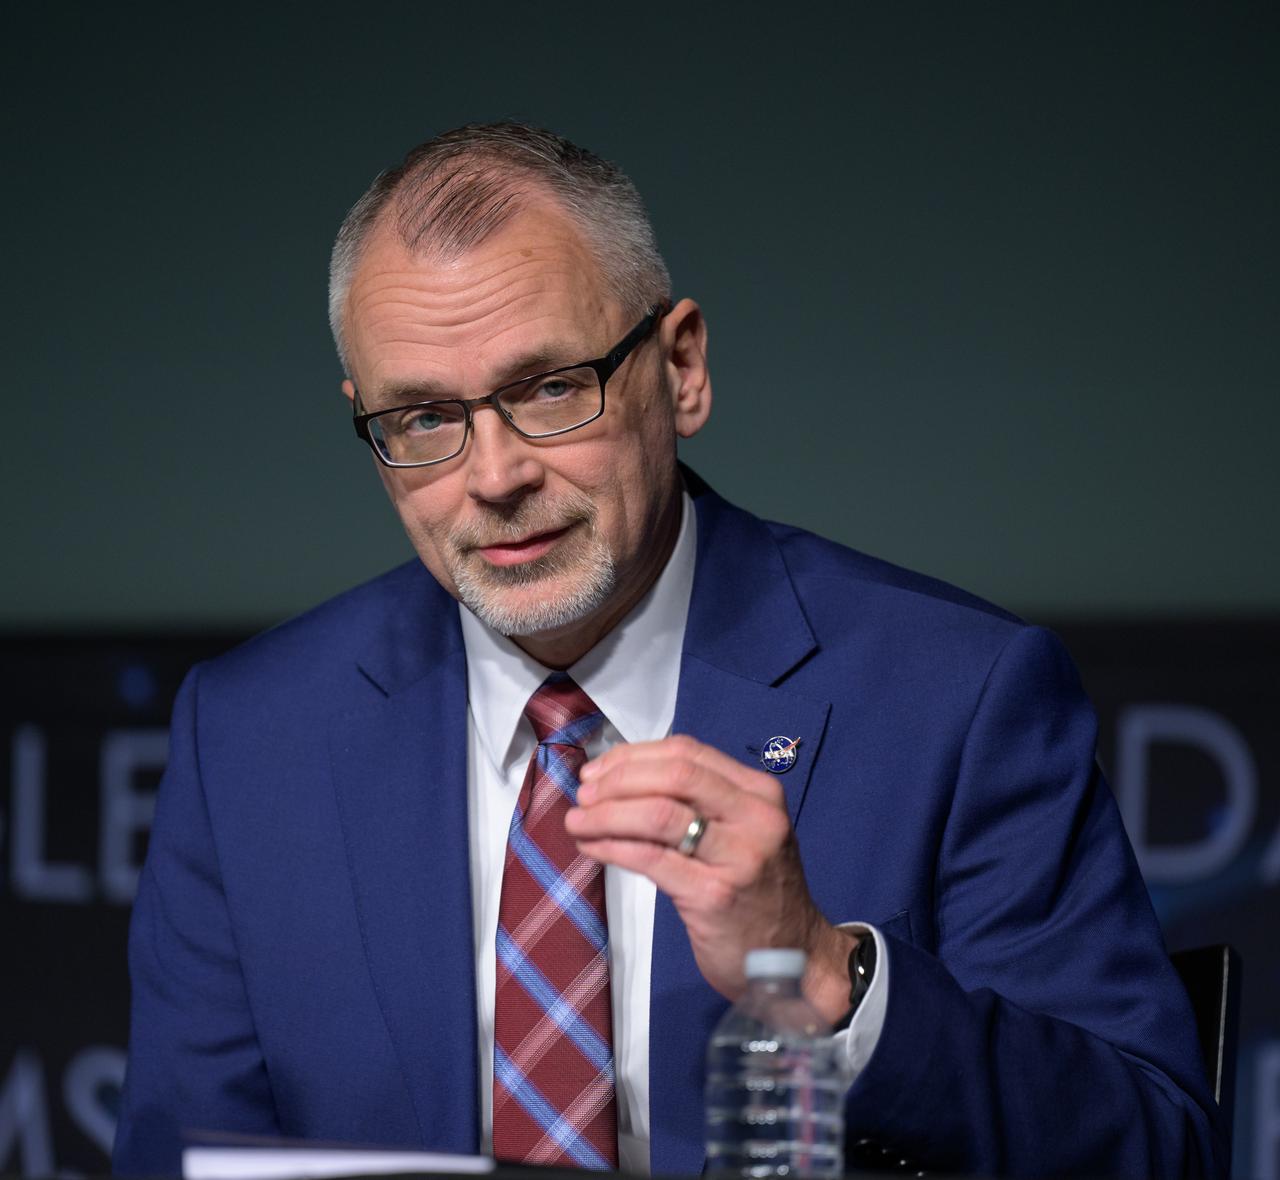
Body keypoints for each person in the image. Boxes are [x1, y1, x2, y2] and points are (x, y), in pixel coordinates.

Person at [112, 123, 1225, 1178]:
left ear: (680, 368)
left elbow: (1156, 1148)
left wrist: (827, 978)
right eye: (422, 419)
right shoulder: (252, 736)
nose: (492, 476)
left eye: (549, 388)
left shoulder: (956, 698)